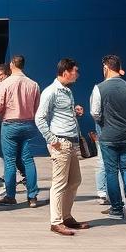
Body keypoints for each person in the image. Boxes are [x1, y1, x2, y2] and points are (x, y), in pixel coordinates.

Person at [35, 58, 88, 236]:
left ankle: (66, 216)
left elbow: (62, 114)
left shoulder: (67, 91)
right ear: (65, 72)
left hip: (71, 142)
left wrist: (75, 112)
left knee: (75, 180)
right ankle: (56, 221)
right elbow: (39, 118)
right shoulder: (51, 92)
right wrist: (52, 139)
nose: (77, 74)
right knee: (59, 183)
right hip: (61, 143)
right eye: (75, 71)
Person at [90, 54, 126, 221]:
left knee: (111, 171)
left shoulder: (99, 88)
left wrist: (103, 123)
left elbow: (95, 112)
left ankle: (116, 209)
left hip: (108, 136)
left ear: (106, 68)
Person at [0, 54, 41, 207]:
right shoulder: (34, 84)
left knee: (10, 161)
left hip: (10, 124)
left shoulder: (5, 83)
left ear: (12, 65)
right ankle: (32, 196)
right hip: (28, 124)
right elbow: (37, 109)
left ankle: (10, 196)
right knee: (28, 160)